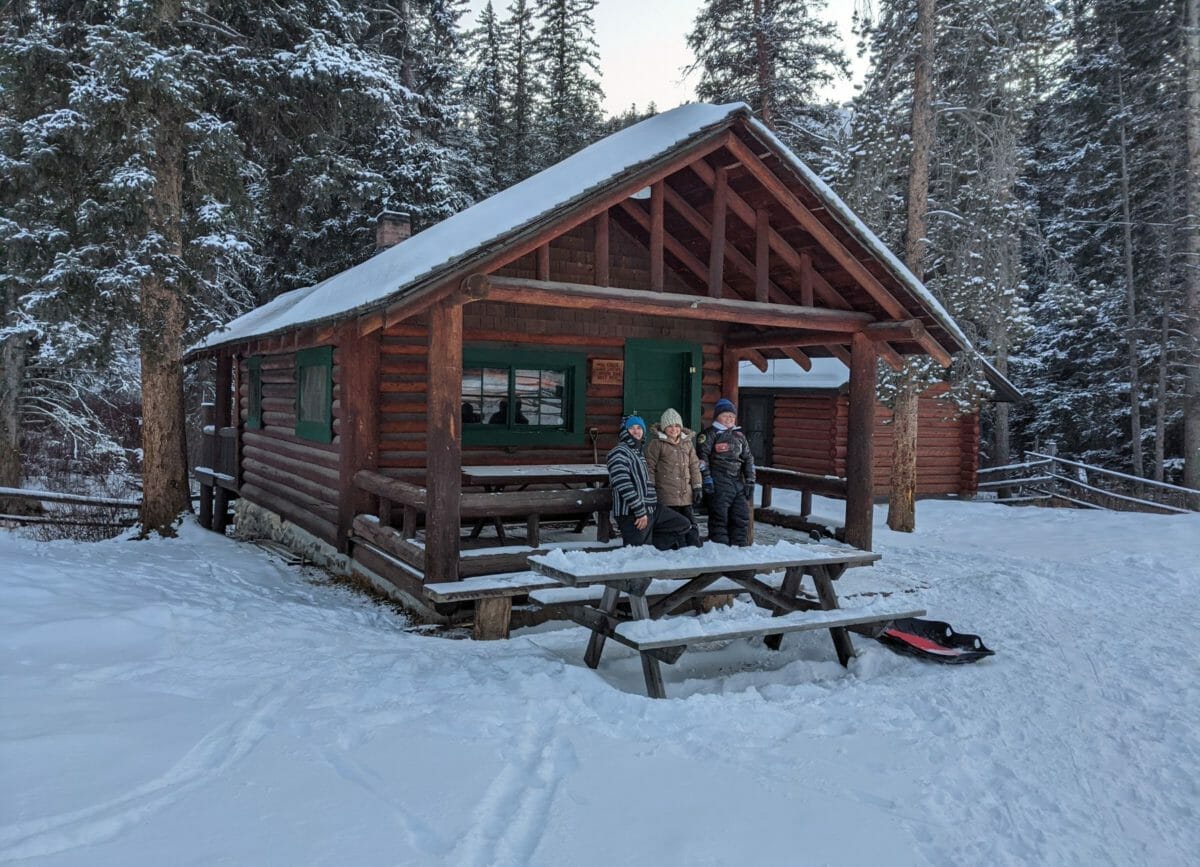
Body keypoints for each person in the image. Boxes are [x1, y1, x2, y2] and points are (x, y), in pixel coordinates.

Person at [606, 415, 696, 550]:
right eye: (631, 428)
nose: (636, 431)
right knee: (637, 553)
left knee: (682, 524)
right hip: (632, 514)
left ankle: (654, 550)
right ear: (624, 431)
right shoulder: (618, 453)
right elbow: (623, 485)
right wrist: (639, 511)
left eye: (639, 428)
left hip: (651, 509)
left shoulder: (639, 452)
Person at [696, 397, 756, 546]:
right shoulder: (709, 434)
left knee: (741, 517)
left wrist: (750, 481)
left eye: (732, 416)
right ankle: (720, 553)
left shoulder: (739, 436)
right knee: (719, 519)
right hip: (718, 482)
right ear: (717, 416)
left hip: (737, 483)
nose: (729, 418)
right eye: (725, 415)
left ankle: (739, 551)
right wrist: (707, 479)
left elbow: (748, 459)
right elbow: (702, 459)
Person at [644, 408, 703, 548]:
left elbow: (694, 466)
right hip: (667, 494)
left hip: (685, 494)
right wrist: (650, 486)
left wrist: (697, 486)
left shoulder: (687, 443)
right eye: (670, 426)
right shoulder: (657, 444)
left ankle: (694, 548)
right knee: (675, 523)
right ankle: (678, 547)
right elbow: (649, 466)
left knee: (691, 523)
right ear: (664, 428)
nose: (674, 429)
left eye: (676, 426)